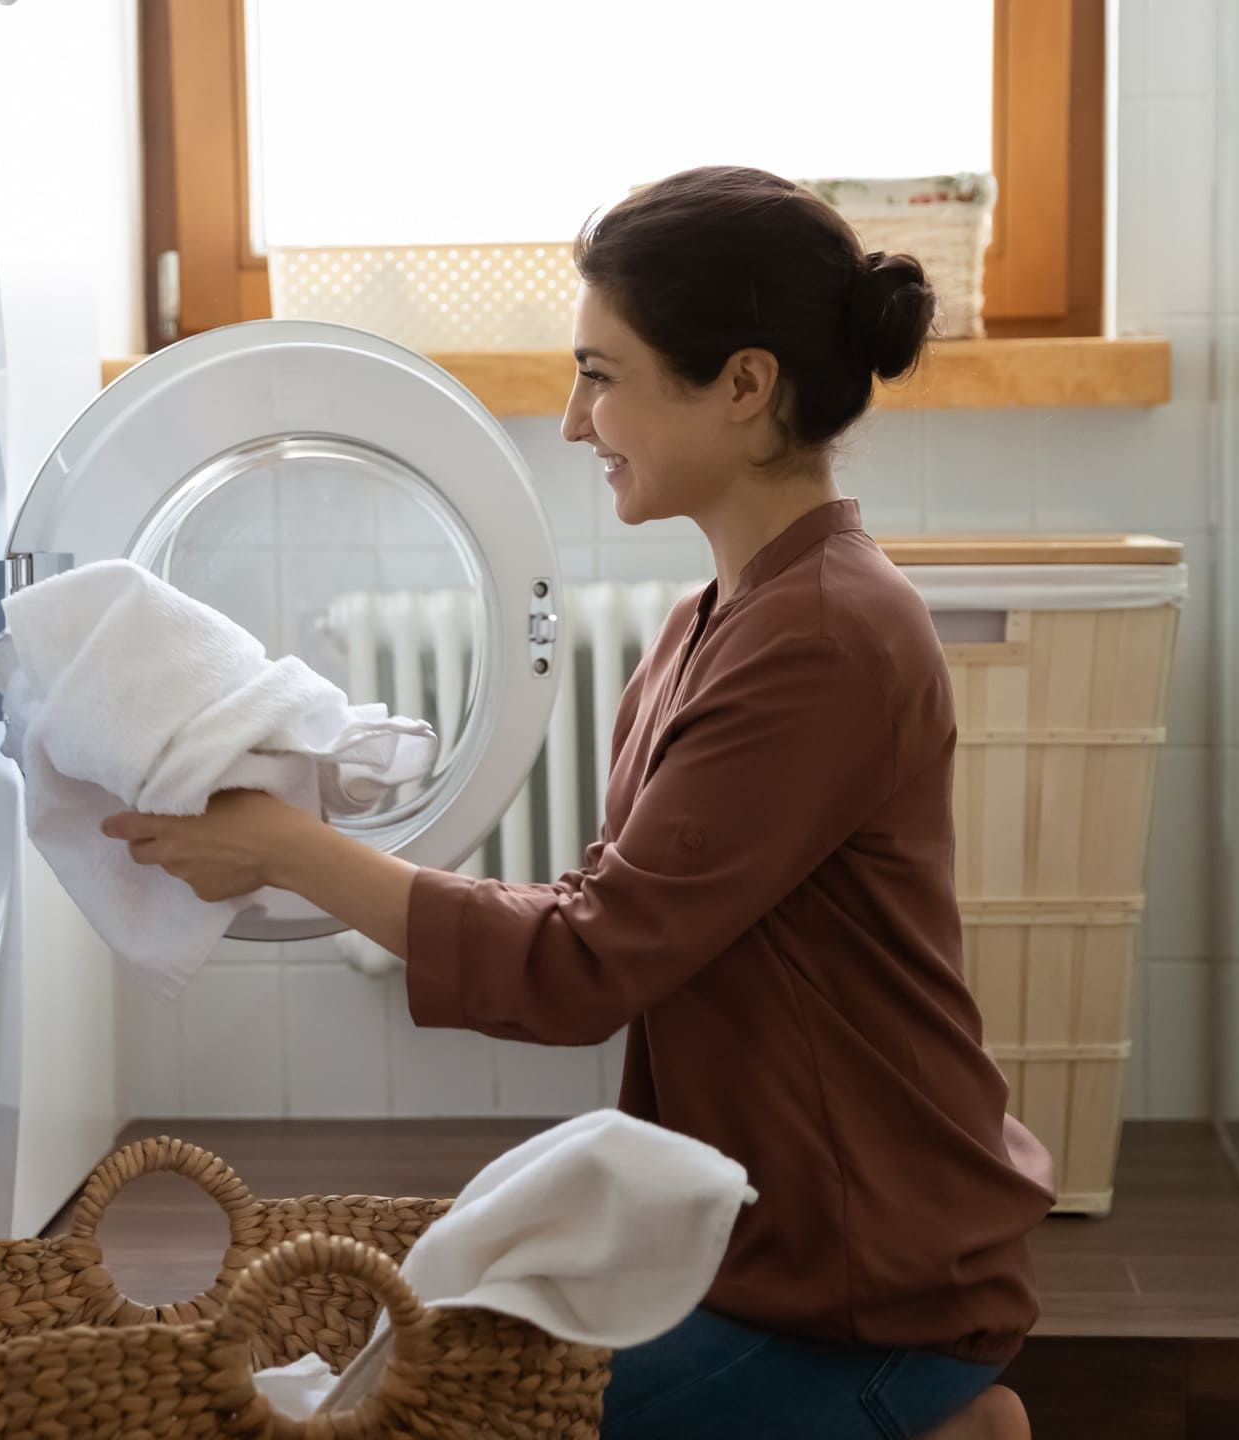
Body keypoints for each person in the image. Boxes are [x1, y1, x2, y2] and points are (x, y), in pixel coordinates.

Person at [105, 165, 1049, 1440]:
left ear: (744, 386)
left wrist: (287, 847)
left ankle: (918, 1414)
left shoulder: (822, 640)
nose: (570, 419)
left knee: (436, 1418)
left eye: (601, 374)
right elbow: (603, 921)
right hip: (786, 1228)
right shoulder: (712, 623)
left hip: (860, 1278)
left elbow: (583, 964)